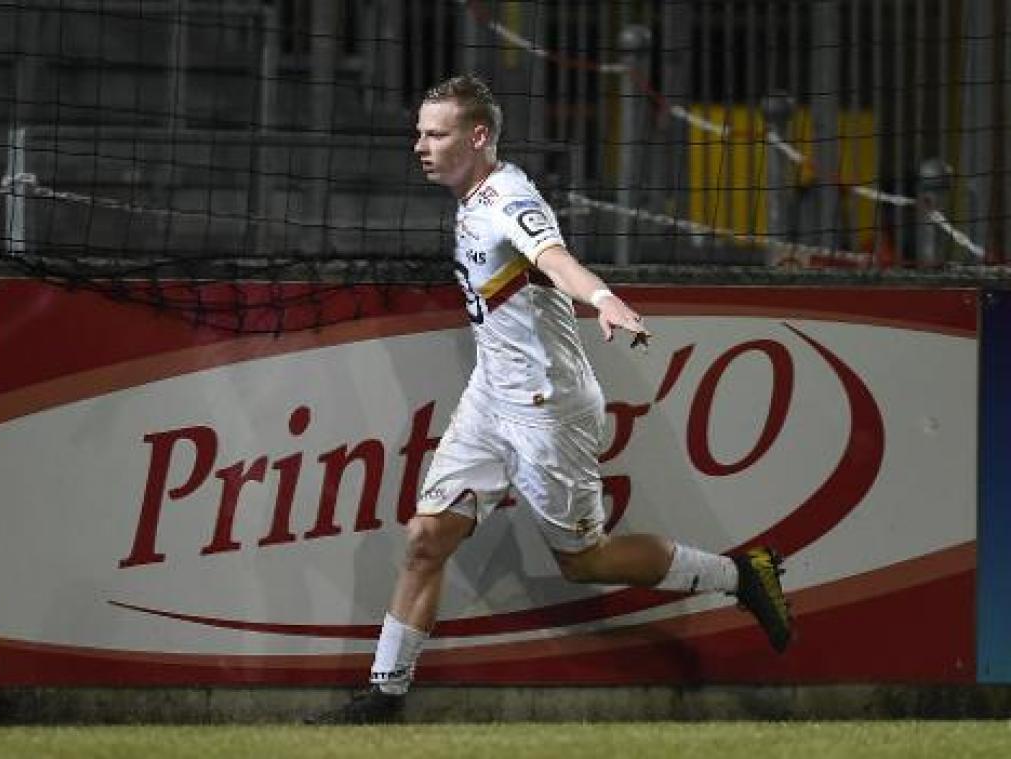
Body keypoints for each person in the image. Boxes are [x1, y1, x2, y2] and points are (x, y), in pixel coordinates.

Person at [307, 75, 791, 725]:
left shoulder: (509, 198)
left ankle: (741, 574)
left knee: (582, 559)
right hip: (491, 392)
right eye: (418, 132)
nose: (419, 145)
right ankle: (384, 697)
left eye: (435, 133)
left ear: (477, 137)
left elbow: (554, 256)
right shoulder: (469, 195)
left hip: (544, 406)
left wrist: (603, 298)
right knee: (426, 536)